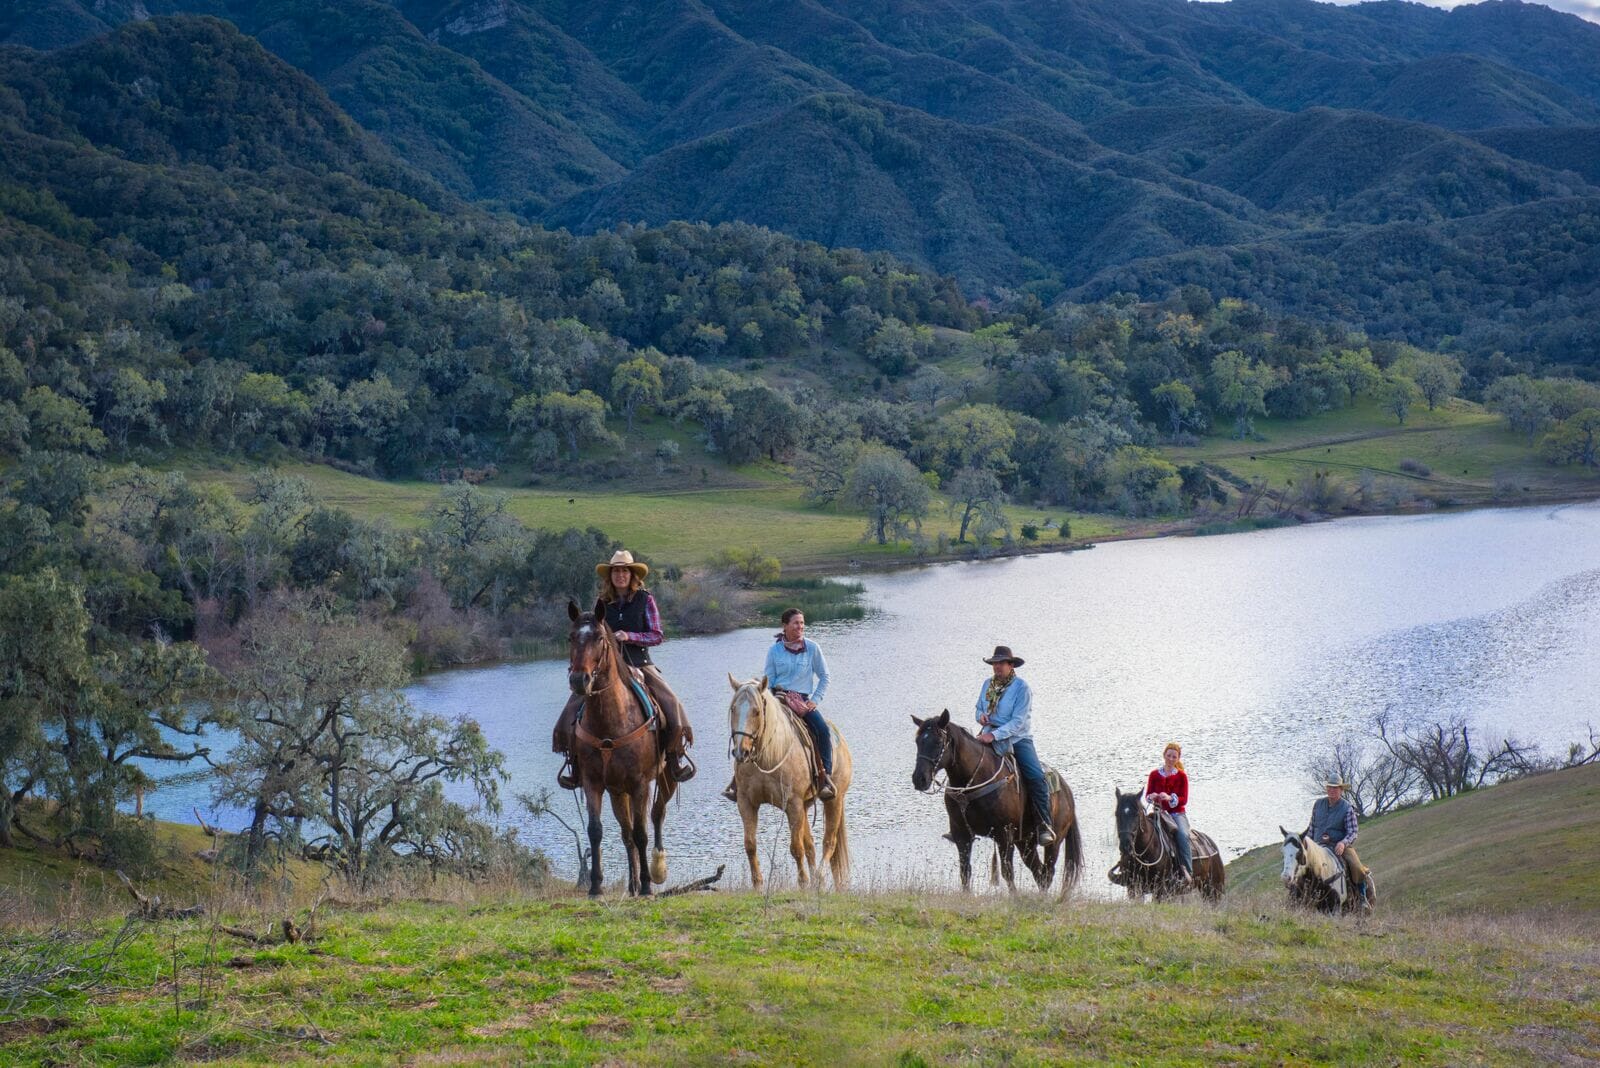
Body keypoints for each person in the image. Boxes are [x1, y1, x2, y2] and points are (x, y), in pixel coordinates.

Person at [552, 549, 695, 787]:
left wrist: (629, 636)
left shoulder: (645, 599)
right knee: (571, 708)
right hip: (606, 668)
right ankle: (575, 764)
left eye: (624, 571)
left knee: (671, 703)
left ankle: (673, 759)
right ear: (610, 576)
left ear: (632, 575)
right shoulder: (602, 604)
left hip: (640, 663)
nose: (620, 575)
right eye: (616, 571)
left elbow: (657, 635)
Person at [725, 608, 835, 802]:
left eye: (802, 623)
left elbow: (825, 677)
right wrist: (772, 697)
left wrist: (814, 700)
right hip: (777, 698)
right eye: (796, 623)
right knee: (751, 729)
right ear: (785, 626)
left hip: (802, 701)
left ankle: (824, 777)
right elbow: (769, 678)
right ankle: (737, 781)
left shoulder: (812, 648)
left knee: (822, 730)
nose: (800, 627)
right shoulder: (774, 650)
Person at [973, 645, 1056, 847]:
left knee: (1036, 777)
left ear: (1011, 665)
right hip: (988, 734)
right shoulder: (987, 685)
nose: (997, 667)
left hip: (1017, 739)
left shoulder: (1022, 688)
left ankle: (1044, 824)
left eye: (1001, 663)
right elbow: (978, 708)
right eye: (994, 664)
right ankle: (962, 824)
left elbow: (1018, 722)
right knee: (966, 765)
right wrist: (981, 717)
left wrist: (994, 735)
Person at [1303, 779, 1371, 904]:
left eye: (1335, 788)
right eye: (1329, 787)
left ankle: (1362, 897)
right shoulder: (1318, 804)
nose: (1332, 790)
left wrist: (1343, 843)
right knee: (1299, 865)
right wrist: (1306, 844)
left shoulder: (1347, 808)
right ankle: (1297, 897)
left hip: (1338, 846)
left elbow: (1352, 831)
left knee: (1356, 867)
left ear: (1341, 790)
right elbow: (1312, 827)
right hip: (1317, 846)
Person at [1145, 742, 1192, 887]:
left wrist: (1170, 798)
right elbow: (1147, 795)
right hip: (1158, 812)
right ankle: (1130, 869)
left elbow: (1184, 799)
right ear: (1164, 755)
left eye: (1174, 757)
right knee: (1139, 830)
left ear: (1178, 758)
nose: (1171, 759)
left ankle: (1187, 872)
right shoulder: (1154, 774)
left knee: (1182, 835)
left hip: (1176, 814)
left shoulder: (1182, 776)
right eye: (1169, 755)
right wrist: (1152, 796)